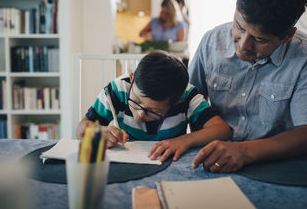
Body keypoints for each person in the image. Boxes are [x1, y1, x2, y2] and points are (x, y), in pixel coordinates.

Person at [189, 0, 307, 173]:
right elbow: (183, 101)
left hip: (276, 166)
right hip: (210, 160)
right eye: (239, 27)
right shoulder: (211, 42)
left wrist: (243, 151)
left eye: (260, 39)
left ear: (288, 36)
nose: (243, 45)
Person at [76, 50, 232, 162]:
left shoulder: (187, 96)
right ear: (132, 78)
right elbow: (81, 128)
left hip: (169, 164)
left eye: (153, 111)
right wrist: (98, 132)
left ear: (176, 101)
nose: (139, 115)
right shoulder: (117, 90)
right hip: (125, 163)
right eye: (135, 101)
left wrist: (185, 140)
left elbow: (223, 130)